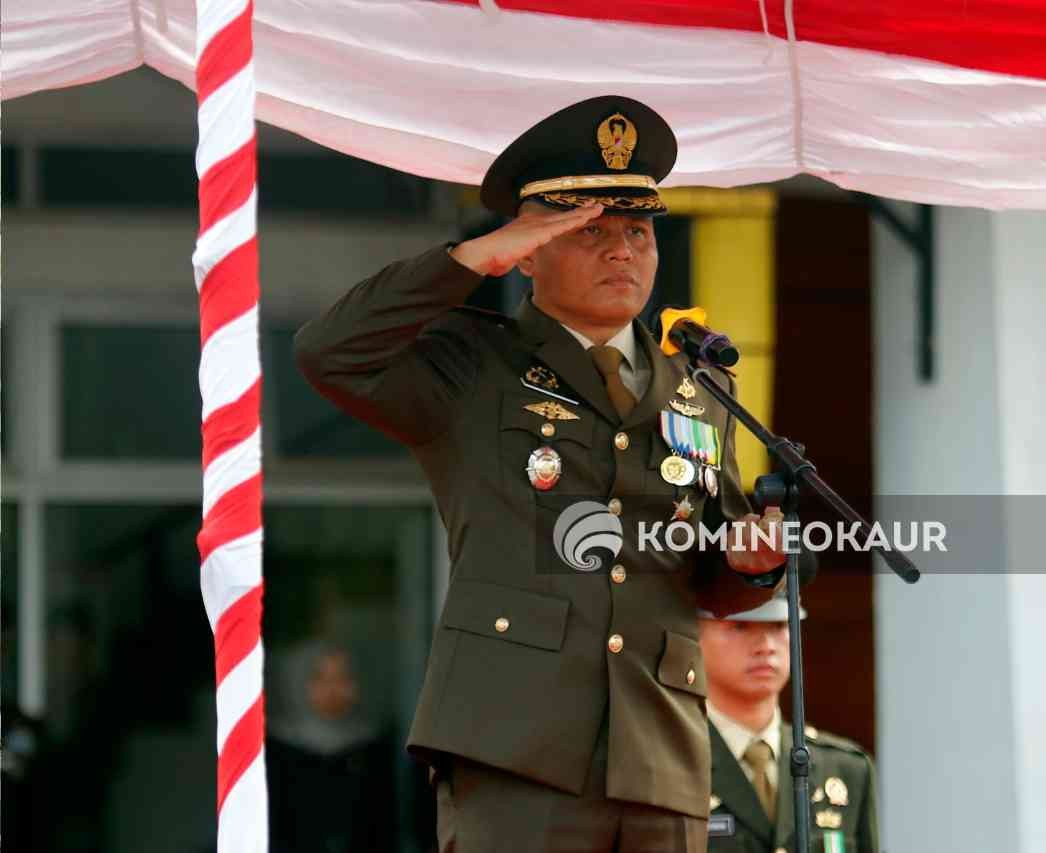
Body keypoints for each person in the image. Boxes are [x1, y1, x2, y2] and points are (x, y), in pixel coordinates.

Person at [294, 95, 795, 852]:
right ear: (528, 249)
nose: (622, 251)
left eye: (637, 231)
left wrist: (753, 567)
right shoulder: (473, 363)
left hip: (661, 754)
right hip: (514, 748)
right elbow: (330, 353)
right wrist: (469, 259)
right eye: (589, 232)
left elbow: (708, 569)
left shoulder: (698, 388)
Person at [699, 589, 878, 853]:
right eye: (740, 626)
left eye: (779, 626)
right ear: (693, 635)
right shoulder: (667, 764)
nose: (766, 646)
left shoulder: (845, 769)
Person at [265, 641, 397, 853]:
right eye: (320, 678)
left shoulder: (372, 748)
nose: (332, 689)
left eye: (342, 678)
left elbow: (384, 826)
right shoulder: (279, 750)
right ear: (300, 683)